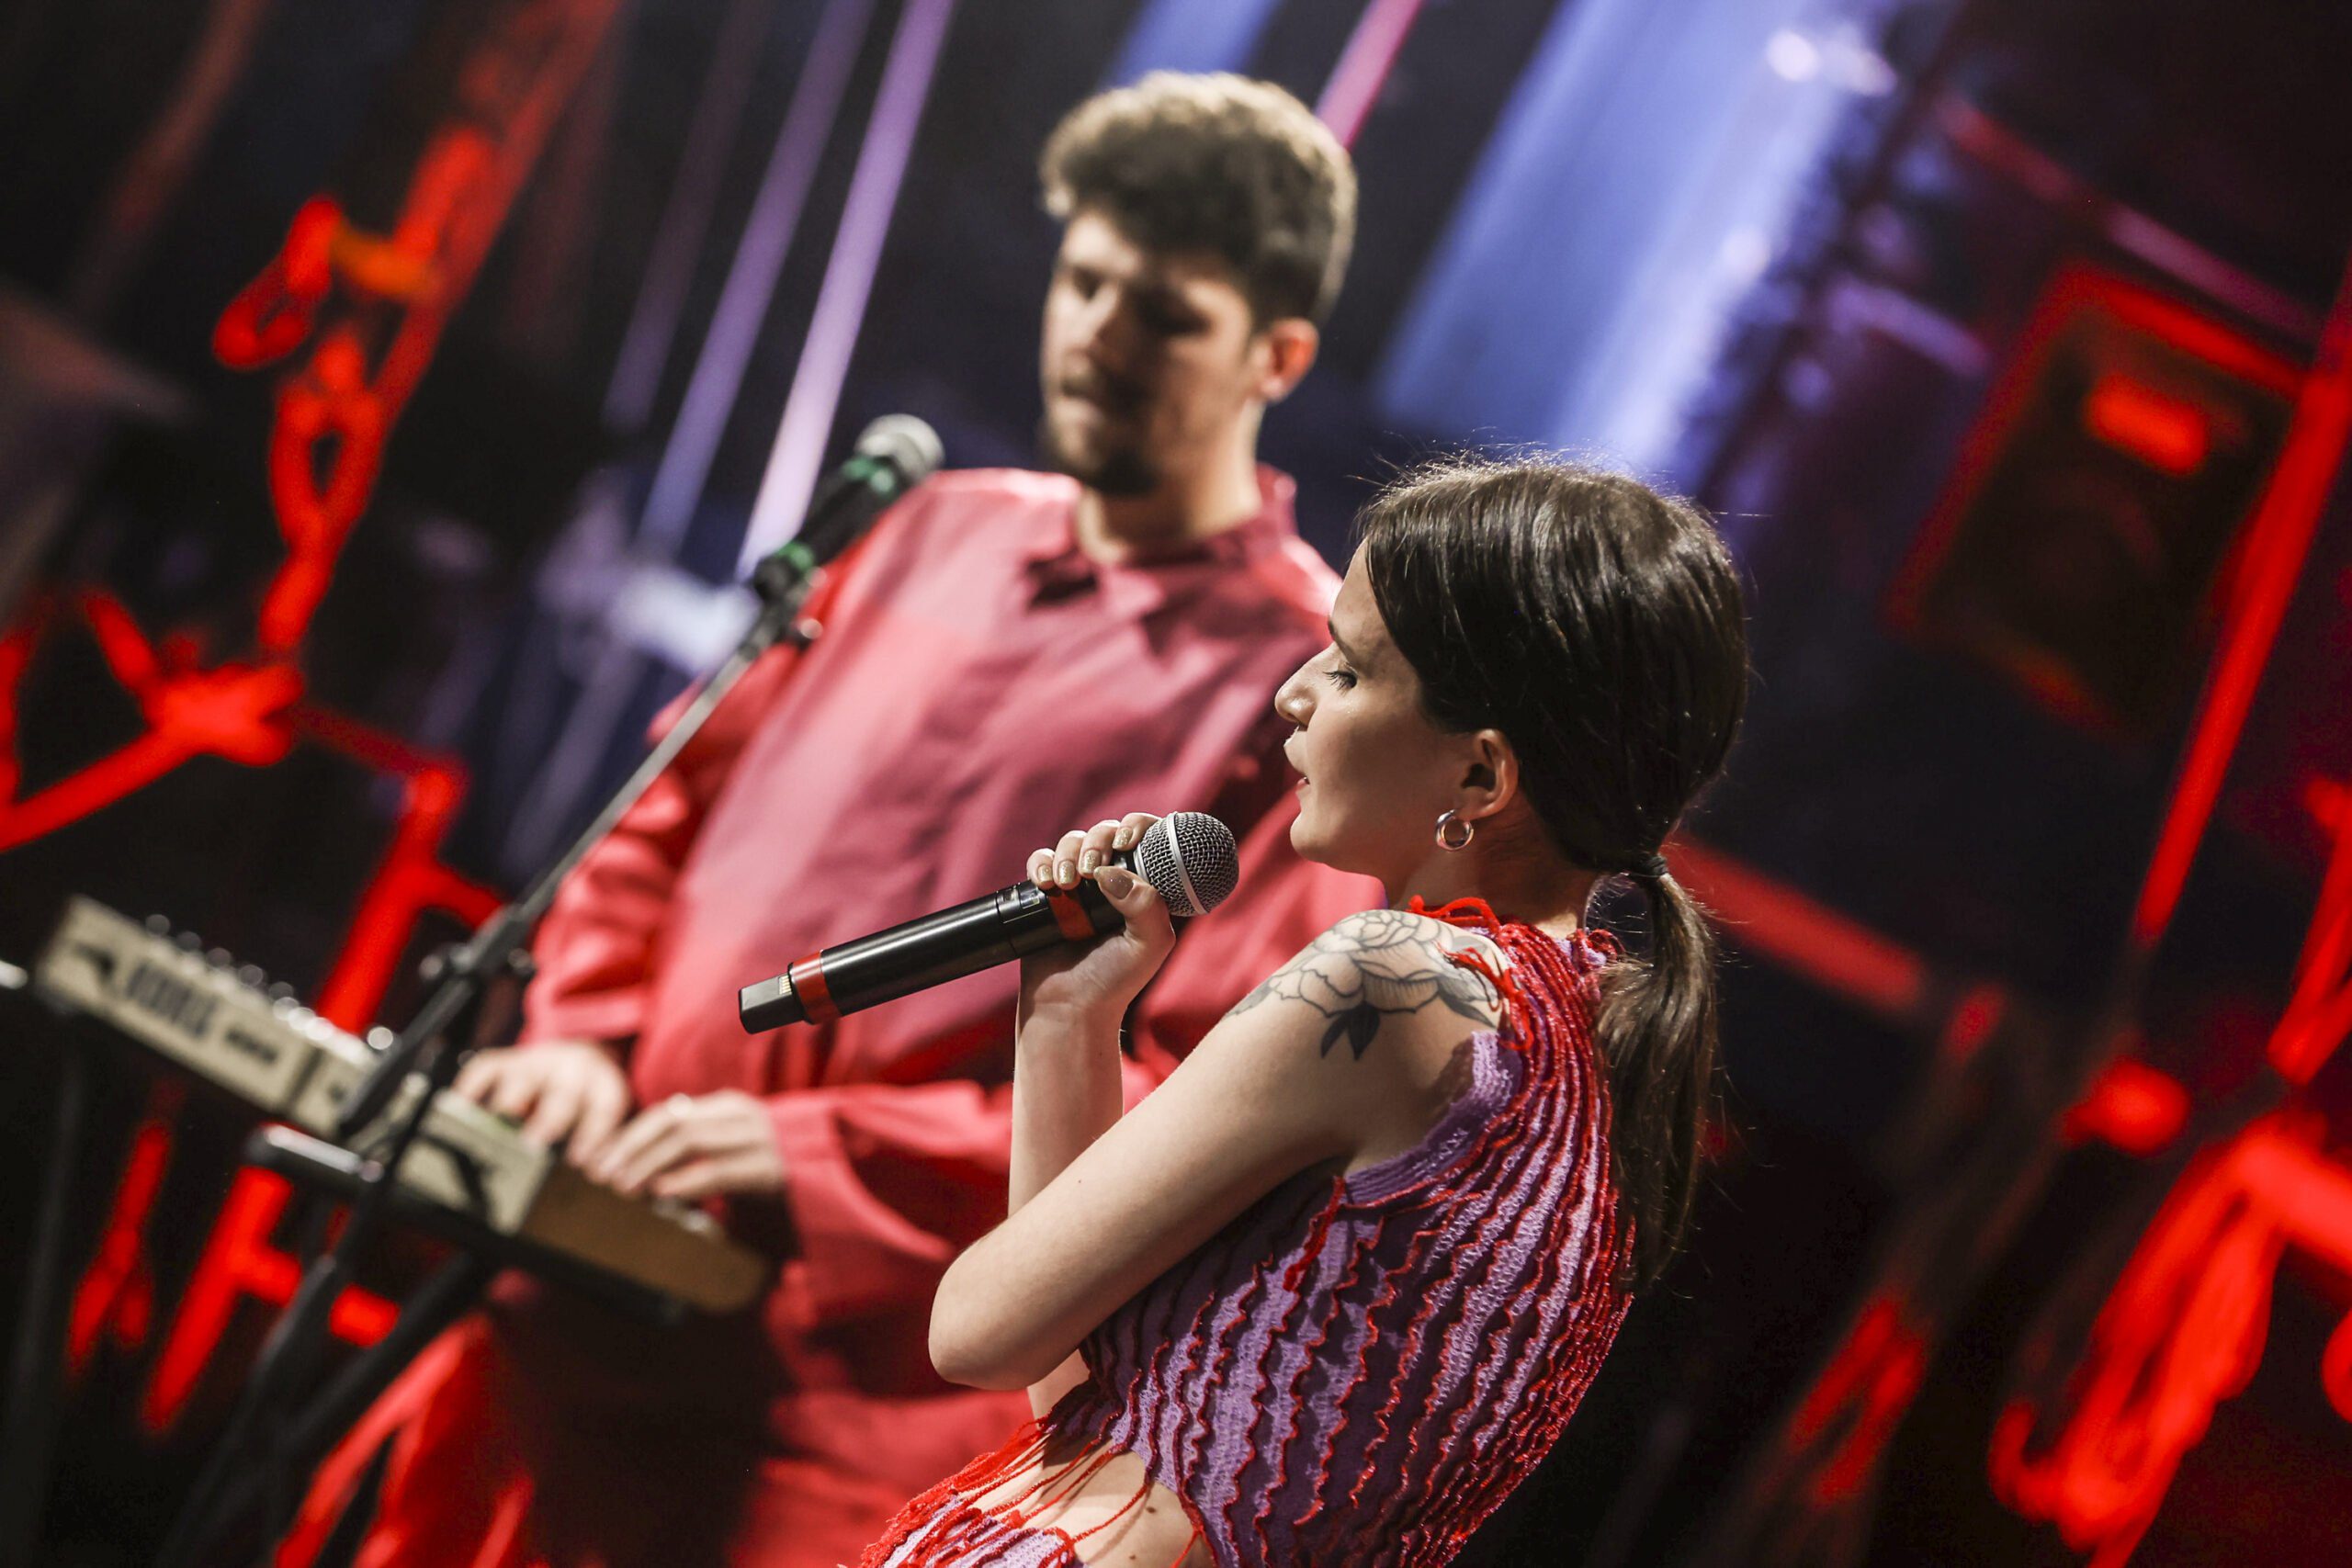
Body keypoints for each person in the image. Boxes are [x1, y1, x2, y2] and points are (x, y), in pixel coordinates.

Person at [276, 73, 1381, 1568]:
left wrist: (819, 1154)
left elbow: (1209, 1100)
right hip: (565, 1305)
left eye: (1166, 314)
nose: (1100, 336)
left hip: (826, 1425)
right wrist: (581, 1042)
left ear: (1279, 354)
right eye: (1084, 282)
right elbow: (669, 802)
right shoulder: (931, 527)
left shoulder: (1303, 679)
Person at [857, 457, 1750, 1567]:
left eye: (1350, 668)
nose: (1295, 691)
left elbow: (976, 1330)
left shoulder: (1392, 983)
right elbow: (1087, 1386)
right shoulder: (1592, 1070)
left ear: (1480, 780)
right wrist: (1069, 1021)